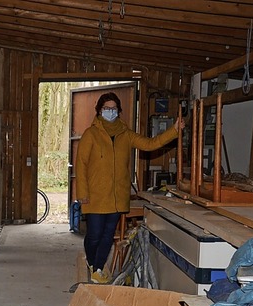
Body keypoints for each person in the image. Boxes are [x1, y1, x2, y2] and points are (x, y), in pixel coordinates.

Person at [75, 92, 183, 284]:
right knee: (94, 235)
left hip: (117, 196)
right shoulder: (90, 134)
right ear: (99, 110)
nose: (110, 111)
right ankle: (92, 262)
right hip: (96, 195)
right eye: (106, 108)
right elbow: (81, 164)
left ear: (119, 111)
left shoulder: (126, 134)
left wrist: (173, 130)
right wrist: (82, 193)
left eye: (113, 108)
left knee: (108, 236)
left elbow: (150, 144)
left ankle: (98, 267)